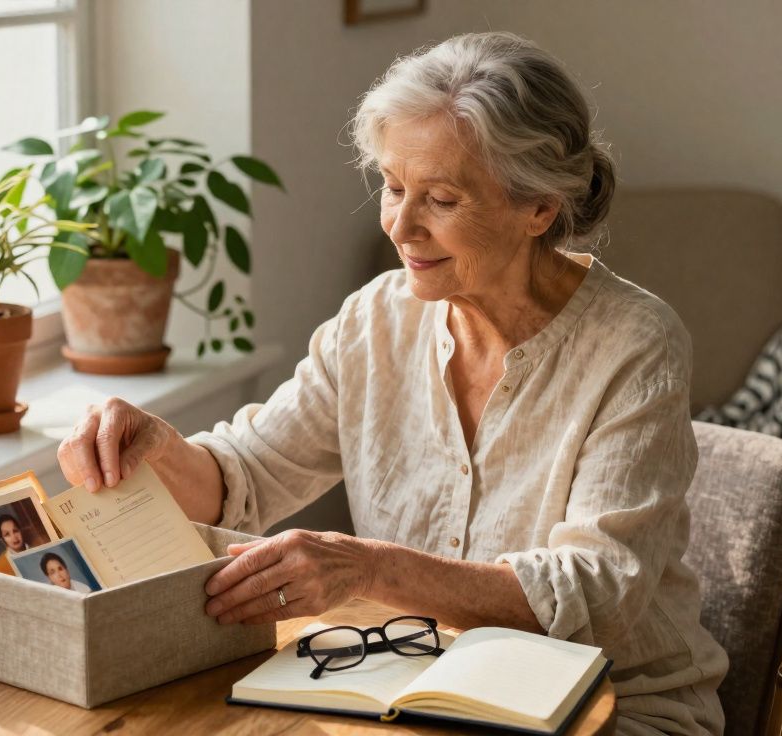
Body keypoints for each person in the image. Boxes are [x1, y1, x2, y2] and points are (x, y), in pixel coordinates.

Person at [58, 32, 727, 735]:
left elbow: (592, 596)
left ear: (538, 209)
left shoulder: (634, 344)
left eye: (440, 198)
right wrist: (158, 448)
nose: (401, 226)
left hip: (616, 706)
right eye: (393, 186)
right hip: (420, 692)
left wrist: (367, 568)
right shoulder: (374, 319)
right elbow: (243, 479)